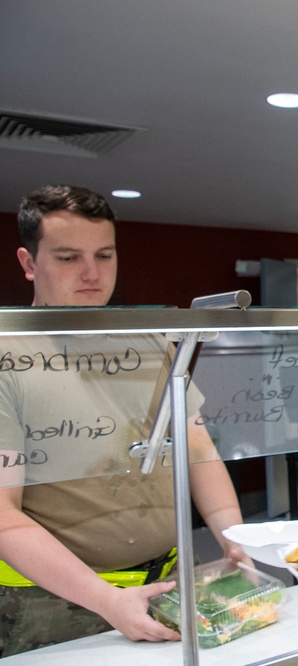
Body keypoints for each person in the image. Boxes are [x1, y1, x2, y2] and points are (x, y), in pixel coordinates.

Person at [0, 184, 248, 656]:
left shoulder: (151, 343)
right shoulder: (5, 355)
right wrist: (106, 601)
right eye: (69, 257)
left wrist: (234, 540)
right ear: (29, 263)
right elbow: (2, 516)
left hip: (171, 581)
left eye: (105, 255)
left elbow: (198, 450)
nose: (92, 274)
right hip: (50, 603)